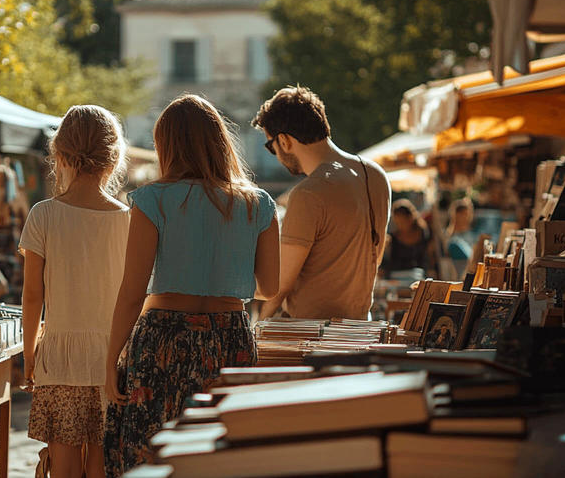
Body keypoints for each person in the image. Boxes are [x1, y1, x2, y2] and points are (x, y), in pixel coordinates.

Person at [103, 94, 280, 477]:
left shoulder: (152, 200)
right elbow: (269, 287)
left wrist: (109, 358)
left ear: (166, 145)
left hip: (161, 338)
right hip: (229, 337)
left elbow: (133, 291)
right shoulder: (258, 204)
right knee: (221, 454)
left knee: (153, 453)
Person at [19, 105, 130, 478]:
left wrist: (29, 352)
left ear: (60, 155)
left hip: (60, 356)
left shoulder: (43, 215)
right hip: (111, 358)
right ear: (113, 159)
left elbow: (33, 295)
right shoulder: (129, 219)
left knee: (63, 465)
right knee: (102, 461)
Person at [252, 86, 391, 321]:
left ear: (284, 140)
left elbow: (279, 285)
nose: (274, 153)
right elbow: (375, 257)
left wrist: (257, 327)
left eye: (270, 145)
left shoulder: (308, 193)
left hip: (311, 336)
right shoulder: (376, 175)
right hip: (359, 329)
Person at [385, 199, 430, 274]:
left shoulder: (424, 234)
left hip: (419, 278)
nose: (400, 225)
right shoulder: (392, 239)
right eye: (397, 222)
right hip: (396, 278)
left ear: (410, 218)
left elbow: (429, 259)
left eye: (402, 222)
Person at [446, 198, 475, 277]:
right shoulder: (450, 238)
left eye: (466, 214)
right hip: (460, 274)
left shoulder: (471, 234)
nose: (465, 217)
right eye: (463, 214)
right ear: (456, 215)